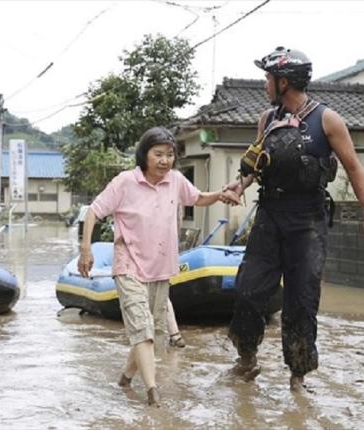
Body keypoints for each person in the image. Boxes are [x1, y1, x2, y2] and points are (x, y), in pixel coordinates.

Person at [224, 47, 364, 391]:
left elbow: (353, 168)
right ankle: (247, 360)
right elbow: (257, 163)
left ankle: (297, 377)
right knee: (246, 292)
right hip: (270, 217)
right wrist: (239, 184)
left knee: (301, 302)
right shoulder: (267, 119)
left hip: (308, 224)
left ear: (283, 82)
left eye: (268, 78)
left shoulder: (327, 119)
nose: (265, 85)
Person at [78, 126, 240, 406]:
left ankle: (125, 380)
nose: (165, 160)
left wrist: (221, 195)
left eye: (169, 155)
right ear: (145, 155)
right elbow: (94, 210)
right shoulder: (125, 182)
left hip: (160, 265)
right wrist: (85, 249)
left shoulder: (175, 180)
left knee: (150, 328)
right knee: (142, 327)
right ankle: (152, 392)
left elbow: (197, 198)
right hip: (128, 262)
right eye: (158, 154)